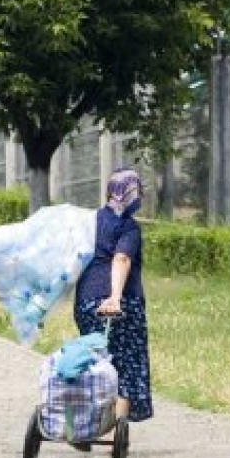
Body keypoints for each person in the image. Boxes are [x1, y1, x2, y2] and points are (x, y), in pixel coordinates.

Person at [73, 167, 153, 431]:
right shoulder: (128, 226)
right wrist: (115, 297)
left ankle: (83, 424)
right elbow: (122, 258)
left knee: (94, 363)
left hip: (86, 303)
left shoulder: (90, 221)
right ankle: (115, 432)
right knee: (125, 366)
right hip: (121, 304)